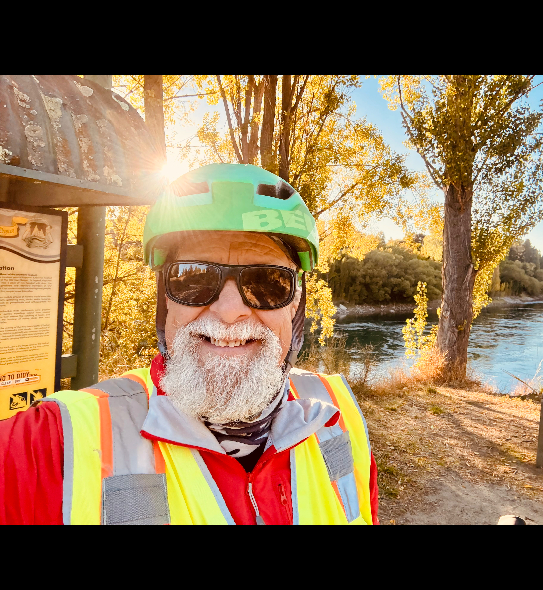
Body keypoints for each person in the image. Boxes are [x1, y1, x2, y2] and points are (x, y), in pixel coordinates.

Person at [0, 163, 379, 525]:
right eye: (193, 278)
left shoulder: (338, 413)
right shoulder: (57, 443)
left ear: (295, 303)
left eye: (267, 282)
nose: (229, 311)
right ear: (166, 300)